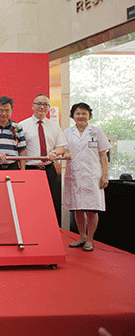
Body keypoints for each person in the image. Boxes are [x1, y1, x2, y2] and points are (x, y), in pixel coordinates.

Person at [63, 103, 110, 252]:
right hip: (75, 175)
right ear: (73, 116)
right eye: (78, 113)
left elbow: (103, 155)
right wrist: (64, 153)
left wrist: (105, 175)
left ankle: (90, 239)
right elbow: (62, 150)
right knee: (77, 208)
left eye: (84, 113)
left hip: (92, 176)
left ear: (89, 115)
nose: (81, 116)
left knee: (92, 209)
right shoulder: (67, 133)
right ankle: (82, 237)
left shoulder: (96, 132)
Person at [20, 94, 66, 225]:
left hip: (49, 170)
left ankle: (51, 229)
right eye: (39, 104)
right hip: (30, 170)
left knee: (51, 203)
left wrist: (54, 152)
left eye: (45, 104)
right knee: (30, 203)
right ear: (32, 106)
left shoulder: (54, 126)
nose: (42, 107)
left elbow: (62, 147)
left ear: (49, 108)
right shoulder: (22, 126)